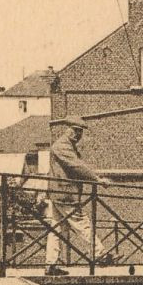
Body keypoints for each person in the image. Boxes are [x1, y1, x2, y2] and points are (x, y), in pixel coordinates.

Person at [44, 116, 112, 275]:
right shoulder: (62, 146)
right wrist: (97, 180)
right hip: (64, 193)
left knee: (56, 228)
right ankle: (100, 254)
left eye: (80, 132)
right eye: (75, 130)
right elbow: (76, 166)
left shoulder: (68, 146)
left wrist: (96, 177)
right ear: (66, 129)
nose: (77, 134)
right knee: (82, 223)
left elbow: (79, 165)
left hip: (59, 192)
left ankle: (50, 264)